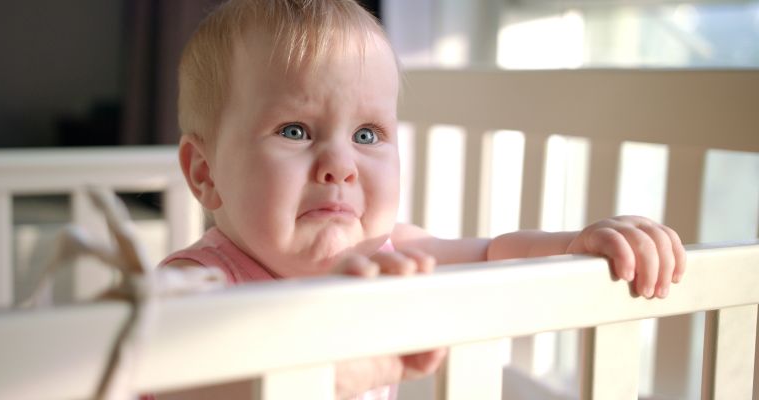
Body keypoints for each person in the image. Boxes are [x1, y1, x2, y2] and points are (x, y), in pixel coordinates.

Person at [160, 0, 686, 398]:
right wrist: (319, 368)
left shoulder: (392, 256)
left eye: (366, 135)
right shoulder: (200, 282)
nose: (340, 165)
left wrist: (575, 243)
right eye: (295, 130)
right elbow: (169, 376)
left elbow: (492, 255)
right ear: (205, 174)